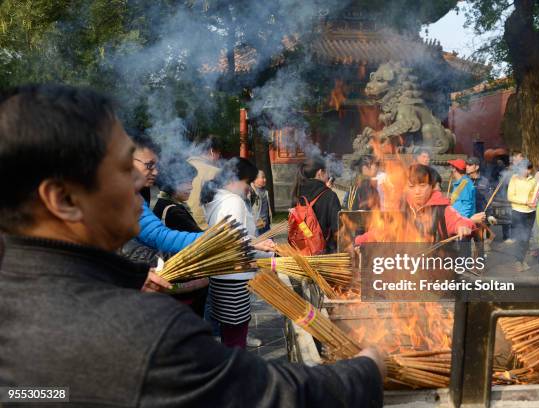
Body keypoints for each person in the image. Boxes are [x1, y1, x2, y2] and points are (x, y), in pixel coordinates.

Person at [0, 84, 385, 407]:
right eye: (123, 170)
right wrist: (367, 368)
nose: (139, 186)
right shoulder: (141, 331)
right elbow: (270, 395)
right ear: (64, 199)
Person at [202, 158, 276, 349]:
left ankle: (229, 368)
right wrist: (263, 248)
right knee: (236, 335)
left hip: (220, 275)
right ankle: (236, 372)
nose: (249, 188)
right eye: (247, 182)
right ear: (235, 179)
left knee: (228, 332)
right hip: (235, 277)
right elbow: (235, 240)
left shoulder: (216, 197)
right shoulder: (233, 201)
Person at [355, 164, 475, 245]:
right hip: (404, 270)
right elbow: (382, 231)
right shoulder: (400, 208)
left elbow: (460, 221)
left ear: (431, 186)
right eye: (412, 187)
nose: (417, 192)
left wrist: (462, 227)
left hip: (434, 270)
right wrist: (359, 241)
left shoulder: (442, 209)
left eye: (422, 186)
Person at [153, 158, 207, 317]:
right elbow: (201, 240)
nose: (191, 187)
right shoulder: (173, 211)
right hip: (183, 282)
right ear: (171, 182)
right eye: (186, 182)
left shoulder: (163, 204)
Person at [291, 155, 342, 253]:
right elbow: (338, 229)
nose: (328, 176)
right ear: (320, 172)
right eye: (326, 172)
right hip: (324, 254)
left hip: (300, 252)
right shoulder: (330, 196)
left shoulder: (297, 192)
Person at [507, 159, 537, 272]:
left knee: (527, 238)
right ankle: (518, 261)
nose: (526, 171)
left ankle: (522, 259)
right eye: (524, 168)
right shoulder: (514, 179)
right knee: (520, 238)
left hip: (530, 212)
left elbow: (534, 195)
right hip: (517, 212)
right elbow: (510, 196)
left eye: (528, 168)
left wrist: (535, 201)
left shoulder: (533, 180)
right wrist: (525, 201)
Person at [187, 136, 221, 229]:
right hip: (203, 228)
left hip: (176, 223)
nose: (218, 158)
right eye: (219, 153)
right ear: (212, 151)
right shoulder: (215, 172)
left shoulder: (181, 166)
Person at [466, 157, 492, 255]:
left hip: (479, 218)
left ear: (476, 167)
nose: (467, 167)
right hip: (467, 218)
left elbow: (488, 200)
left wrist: (489, 215)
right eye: (466, 164)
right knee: (465, 243)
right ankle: (466, 265)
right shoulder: (464, 180)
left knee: (479, 243)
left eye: (470, 165)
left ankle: (480, 265)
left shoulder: (485, 182)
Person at [250, 170, 273, 236]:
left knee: (270, 243)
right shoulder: (251, 192)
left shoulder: (265, 191)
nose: (265, 179)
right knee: (258, 245)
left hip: (266, 224)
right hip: (256, 226)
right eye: (262, 177)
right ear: (255, 179)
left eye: (265, 177)